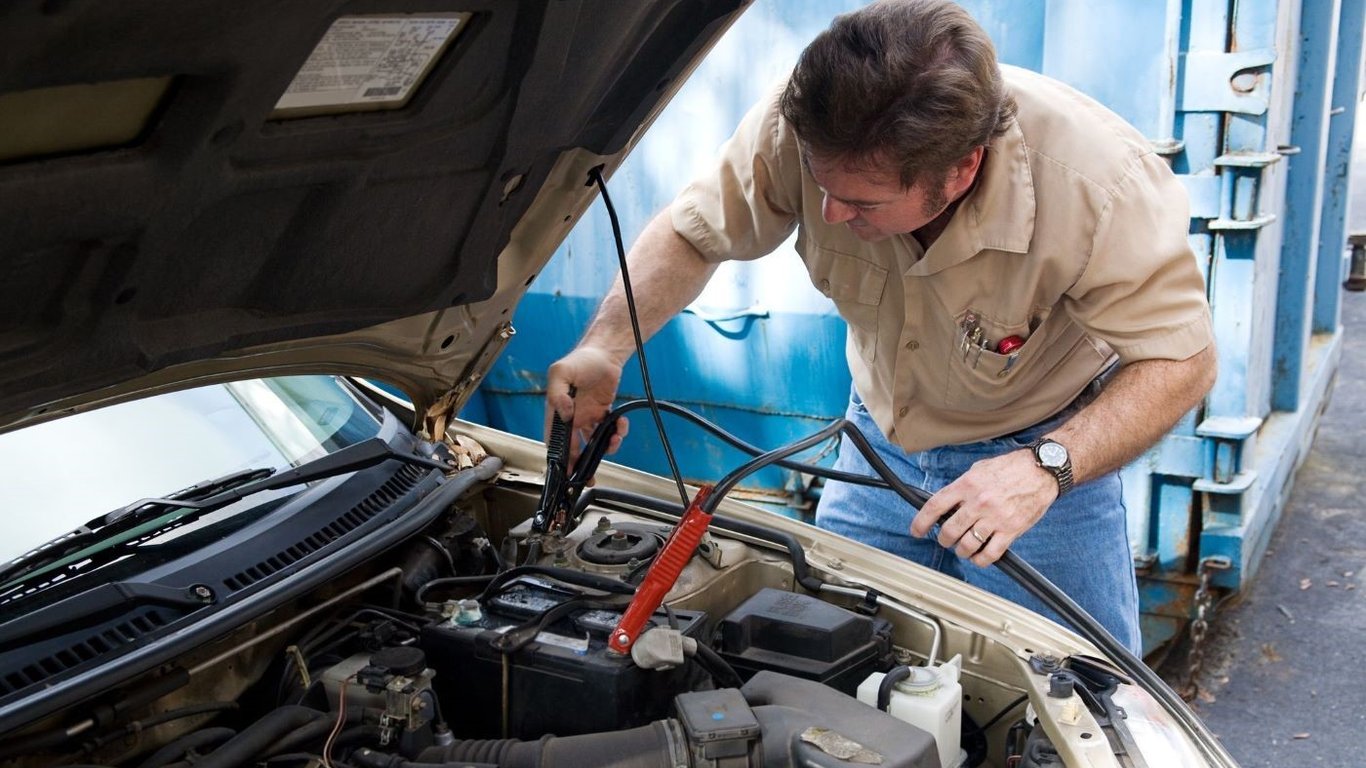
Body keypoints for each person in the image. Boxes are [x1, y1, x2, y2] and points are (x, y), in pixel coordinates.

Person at [544, 0, 1216, 652]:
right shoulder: (804, 124)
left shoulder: (1097, 184)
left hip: (1043, 458)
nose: (829, 214)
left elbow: (1182, 361)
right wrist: (606, 346)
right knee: (830, 666)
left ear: (962, 169)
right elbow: (695, 233)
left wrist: (1045, 469)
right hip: (878, 446)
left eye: (862, 201)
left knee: (1085, 703)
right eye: (820, 185)